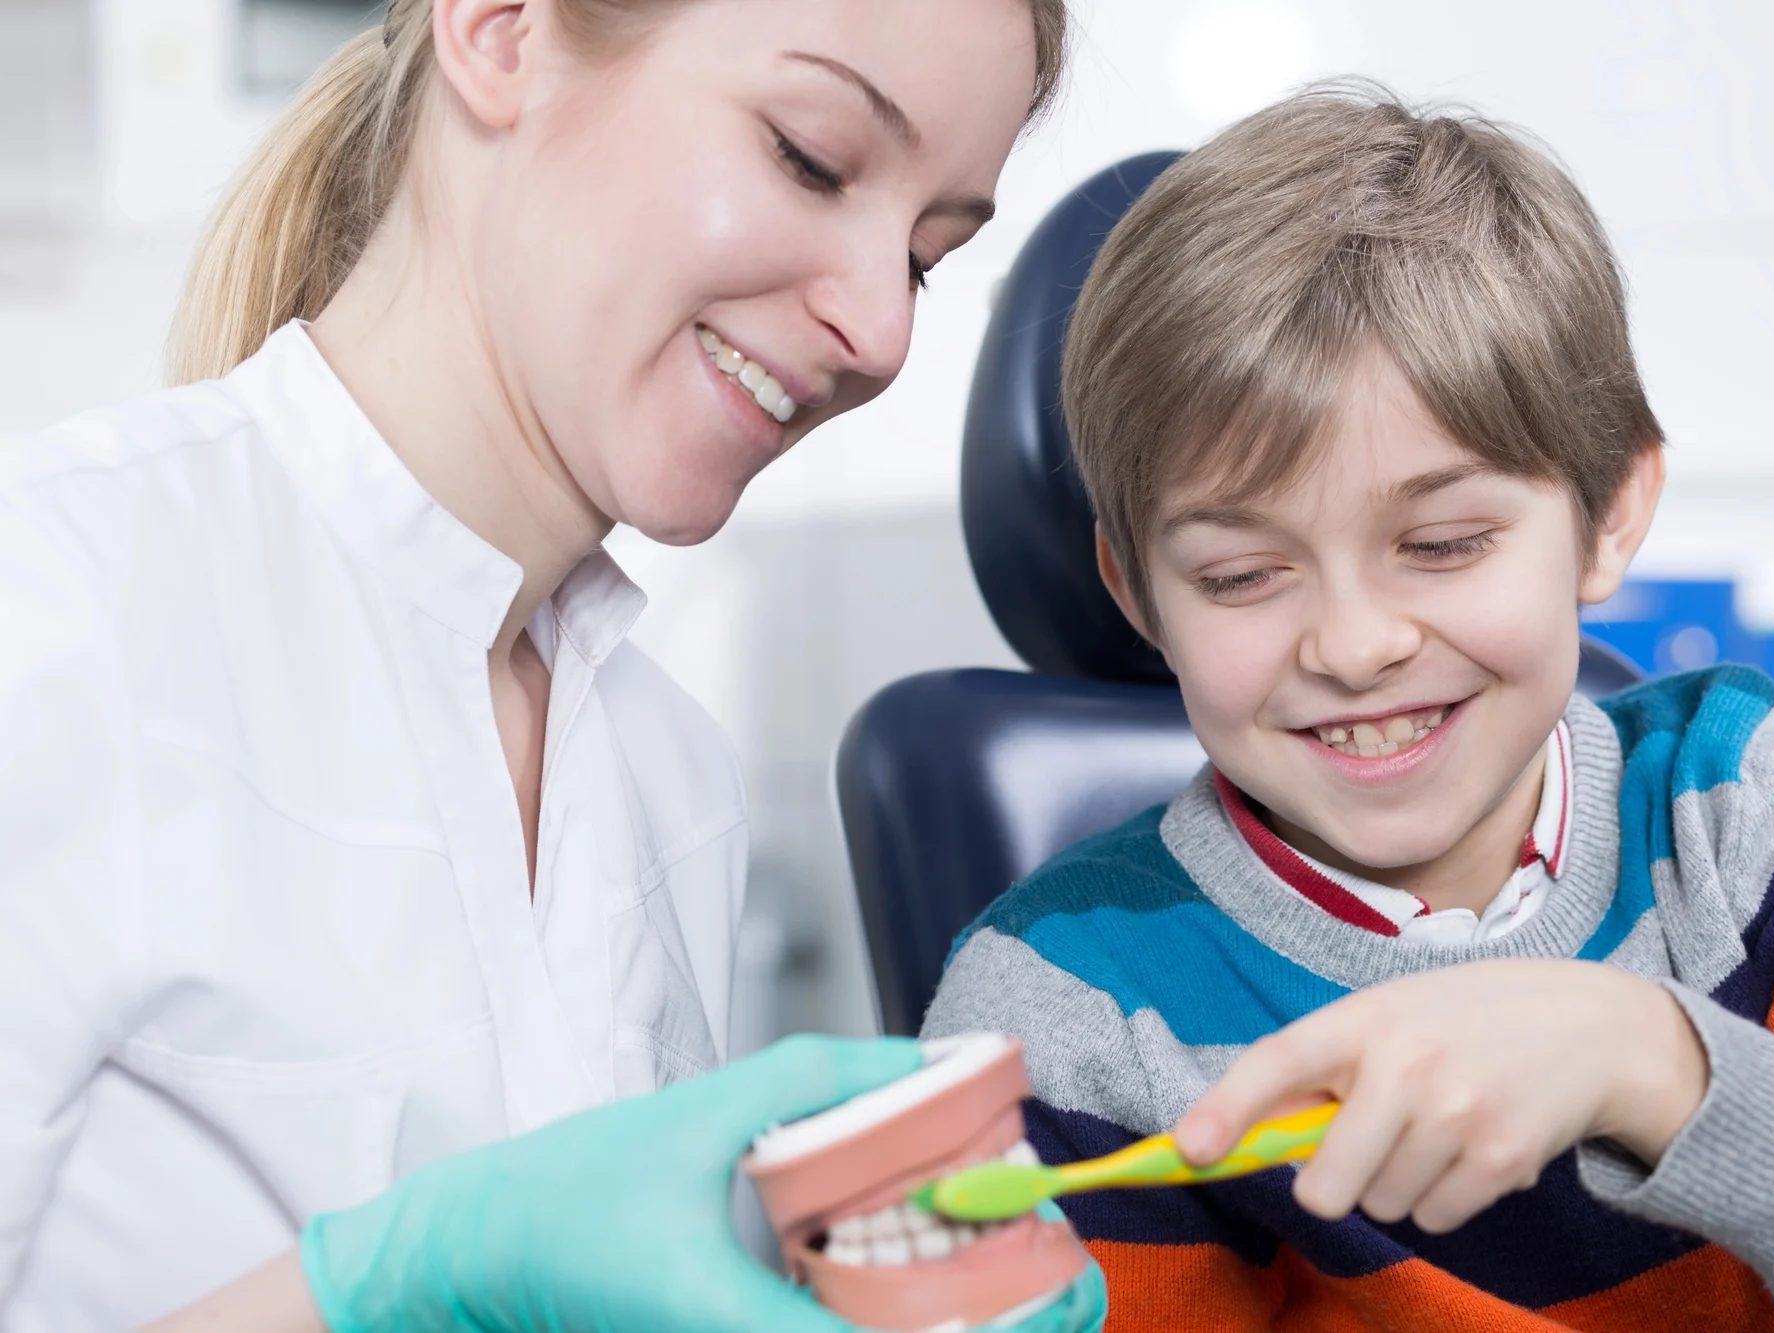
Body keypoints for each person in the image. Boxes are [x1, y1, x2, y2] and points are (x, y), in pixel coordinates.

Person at [0, 1, 1106, 1330]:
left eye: (926, 257)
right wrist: (397, 1281)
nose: (882, 331)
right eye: (810, 157)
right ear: (503, 29)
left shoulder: (670, 776)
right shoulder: (57, 606)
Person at [923, 83, 1774, 1331]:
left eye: (1438, 543)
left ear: (1607, 515)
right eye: (1239, 576)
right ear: (1139, 591)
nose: (1356, 643)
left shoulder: (1758, 807)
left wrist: (1649, 1062)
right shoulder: (1065, 1010)